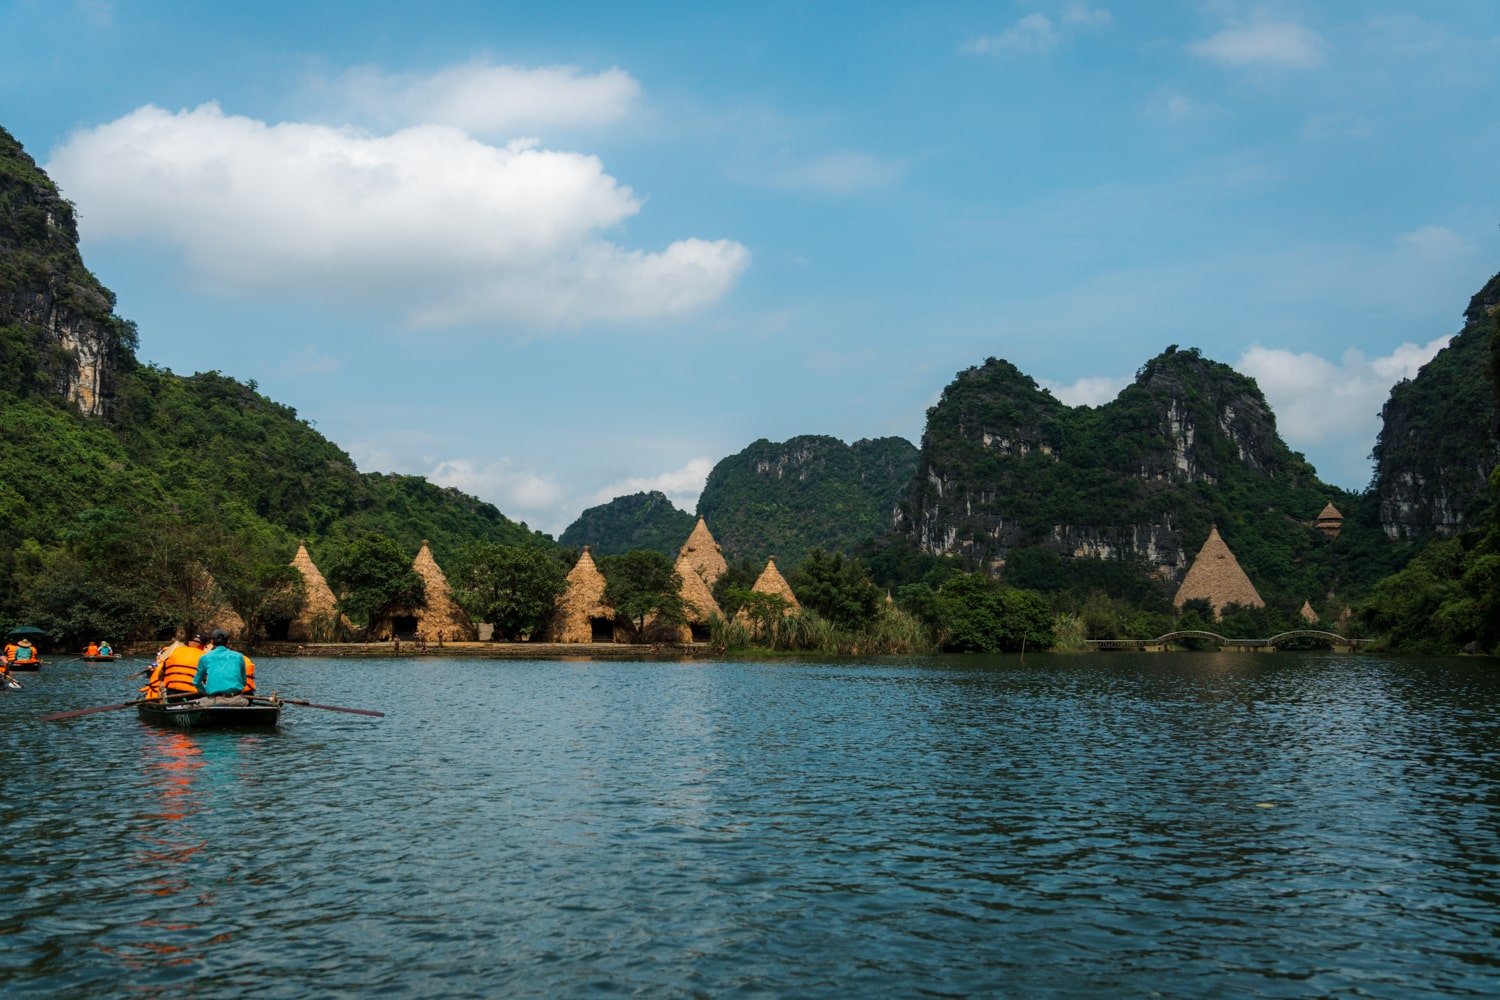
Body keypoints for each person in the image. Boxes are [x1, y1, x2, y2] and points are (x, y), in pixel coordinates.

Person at [194, 630, 256, 698]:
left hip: (213, 700)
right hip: (236, 699)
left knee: (191, 706)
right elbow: (243, 681)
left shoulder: (204, 657)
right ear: (228, 641)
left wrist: (205, 692)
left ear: (211, 641)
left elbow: (196, 682)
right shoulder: (239, 656)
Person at [144, 633, 207, 700]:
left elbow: (161, 675)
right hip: (193, 694)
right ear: (204, 646)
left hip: (172, 692)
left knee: (161, 685)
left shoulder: (174, 652)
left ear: (189, 643)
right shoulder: (206, 656)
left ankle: (163, 705)